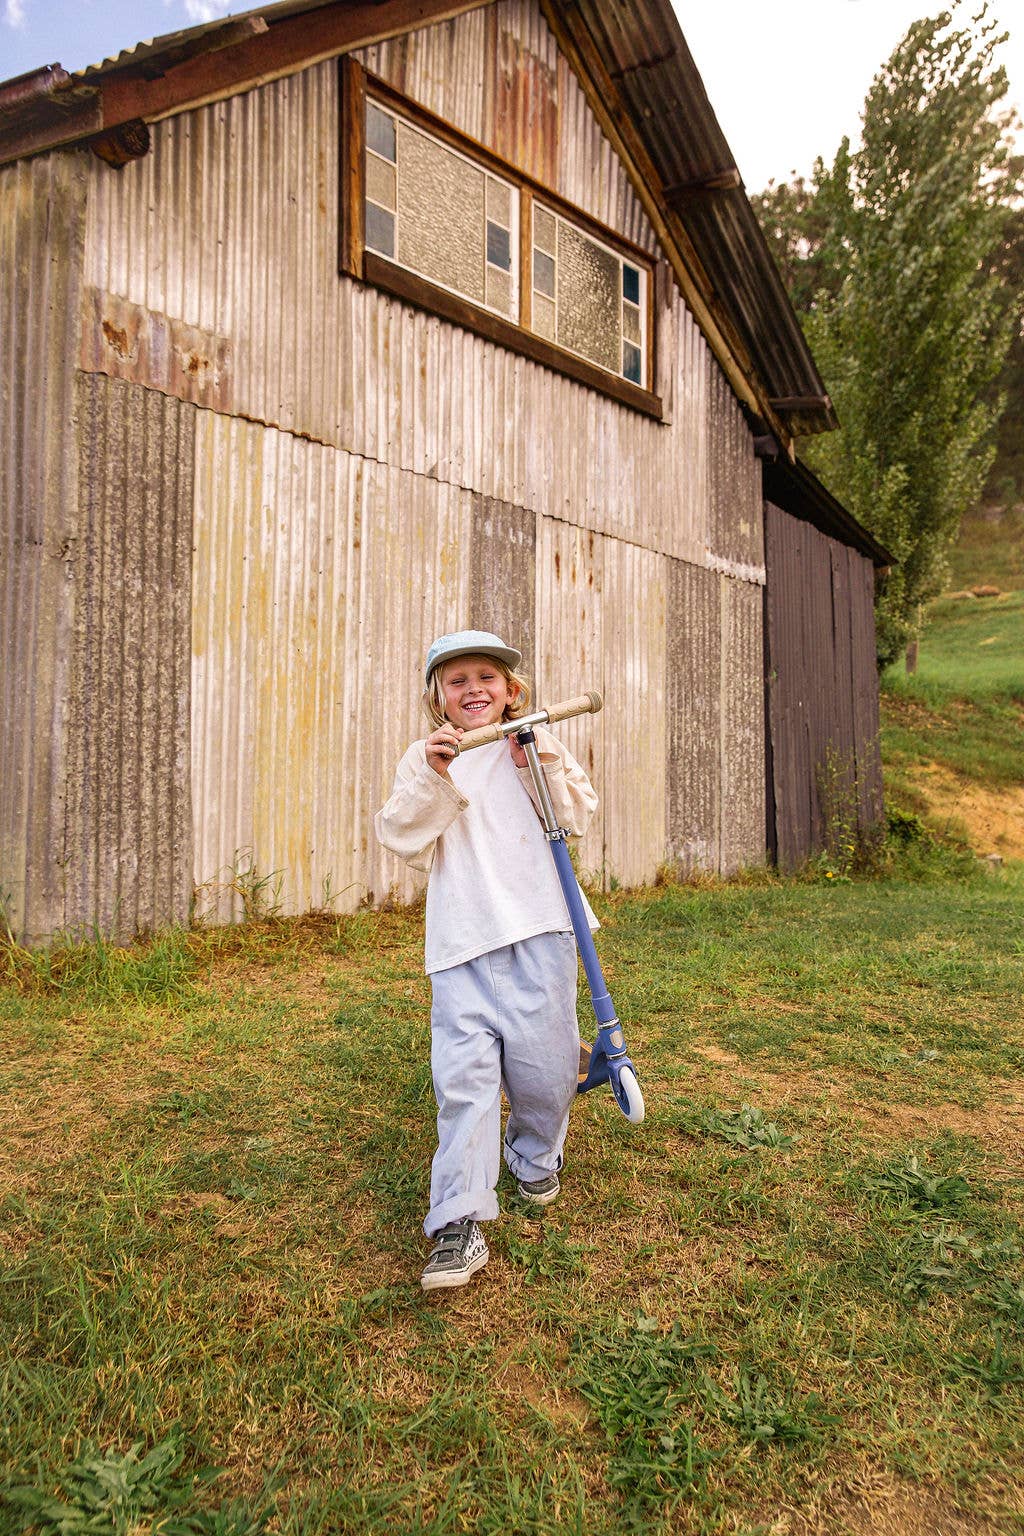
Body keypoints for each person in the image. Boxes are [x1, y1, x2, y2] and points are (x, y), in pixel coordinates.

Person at [374, 630, 599, 1291]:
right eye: (457, 680)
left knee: (545, 1071)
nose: (473, 688)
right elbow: (400, 834)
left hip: (539, 929)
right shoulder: (427, 757)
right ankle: (459, 1220)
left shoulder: (534, 740)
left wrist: (535, 761)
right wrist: (434, 776)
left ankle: (534, 1154)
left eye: (487, 677)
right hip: (462, 940)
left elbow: (577, 815)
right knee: (464, 1081)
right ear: (438, 699)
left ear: (510, 691)